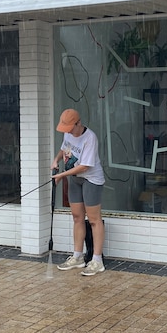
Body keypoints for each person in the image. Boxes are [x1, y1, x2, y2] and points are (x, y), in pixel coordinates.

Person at [51, 108, 106, 276]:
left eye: (70, 128)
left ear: (78, 123)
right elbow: (64, 148)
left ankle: (97, 260)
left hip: (91, 179)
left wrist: (61, 175)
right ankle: (78, 257)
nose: (68, 132)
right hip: (74, 178)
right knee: (77, 217)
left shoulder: (90, 138)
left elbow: (85, 166)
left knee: (94, 219)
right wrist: (56, 160)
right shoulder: (68, 133)